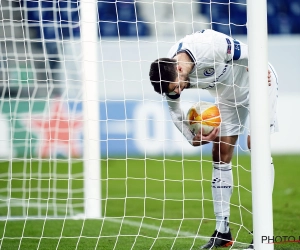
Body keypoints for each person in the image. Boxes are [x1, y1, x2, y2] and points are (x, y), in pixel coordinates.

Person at [149, 29, 278, 249]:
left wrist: (260, 66)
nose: (178, 92)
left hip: (258, 85)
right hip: (227, 97)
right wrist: (193, 138)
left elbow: (250, 51)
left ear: (179, 68)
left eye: (178, 86)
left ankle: (263, 232)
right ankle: (223, 230)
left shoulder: (209, 45)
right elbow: (175, 111)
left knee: (256, 145)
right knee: (220, 154)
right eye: (173, 91)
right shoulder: (169, 78)